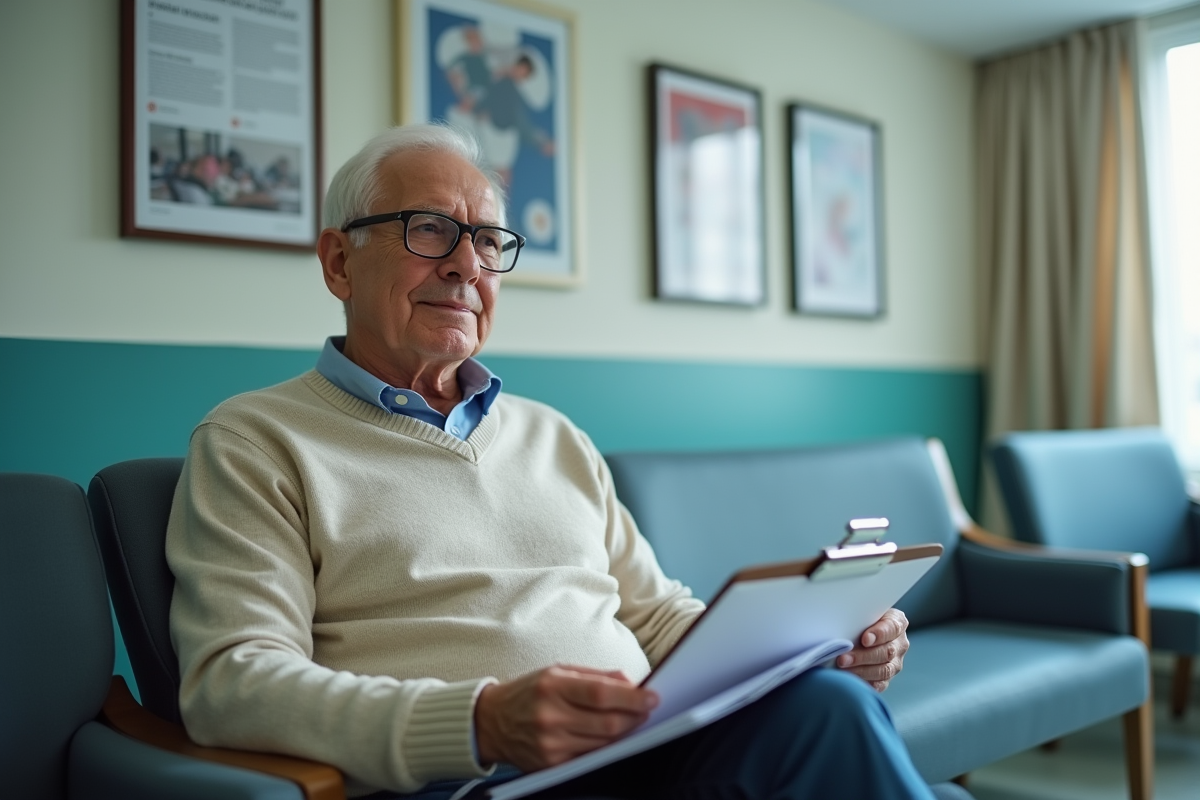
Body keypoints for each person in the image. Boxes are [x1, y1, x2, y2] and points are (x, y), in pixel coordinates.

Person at [166, 124, 942, 800]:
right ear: (339, 261)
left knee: (829, 704)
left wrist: (805, 653)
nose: (466, 266)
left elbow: (656, 615)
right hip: (472, 781)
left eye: (487, 241)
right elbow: (233, 682)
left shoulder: (555, 436)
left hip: (649, 747)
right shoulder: (256, 440)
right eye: (429, 229)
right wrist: (479, 722)